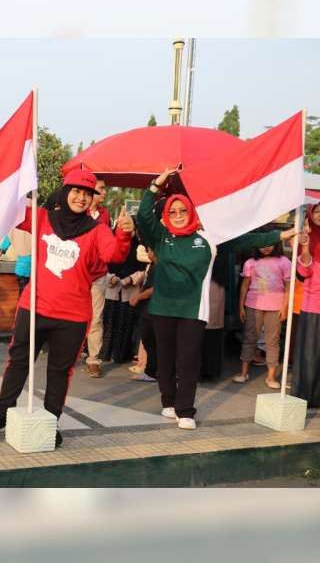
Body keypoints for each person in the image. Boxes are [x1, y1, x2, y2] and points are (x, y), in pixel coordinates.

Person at [0, 170, 134, 444]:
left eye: (87, 194)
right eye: (76, 191)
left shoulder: (97, 229)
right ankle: (1, 416)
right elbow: (10, 213)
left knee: (60, 372)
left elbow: (114, 254)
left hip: (73, 316)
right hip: (34, 308)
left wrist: (123, 233)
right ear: (65, 192)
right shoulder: (42, 218)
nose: (81, 198)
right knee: (18, 364)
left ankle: (50, 422)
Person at [137, 168, 295, 430]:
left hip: (193, 312)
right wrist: (156, 184)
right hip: (162, 309)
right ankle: (168, 401)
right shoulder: (161, 237)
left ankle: (185, 410)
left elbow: (245, 240)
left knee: (188, 361)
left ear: (192, 212)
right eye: (173, 212)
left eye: (183, 210)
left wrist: (279, 236)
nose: (178, 215)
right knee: (165, 361)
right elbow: (144, 214)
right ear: (167, 215)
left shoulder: (208, 238)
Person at [233, 242, 291, 388]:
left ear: (276, 245)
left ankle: (271, 377)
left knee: (272, 341)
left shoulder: (284, 261)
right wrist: (241, 306)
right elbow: (245, 285)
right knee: (249, 338)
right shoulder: (250, 262)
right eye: (262, 244)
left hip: (276, 307)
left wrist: (285, 307)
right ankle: (243, 373)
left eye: (270, 244)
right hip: (253, 305)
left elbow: (288, 286)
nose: (266, 248)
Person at [99, 226, 145, 364]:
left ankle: (120, 355)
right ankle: (104, 353)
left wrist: (131, 279)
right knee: (108, 322)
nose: (127, 232)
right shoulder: (111, 245)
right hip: (111, 290)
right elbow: (102, 265)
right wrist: (111, 278)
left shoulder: (138, 247)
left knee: (125, 324)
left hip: (129, 291)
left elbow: (143, 269)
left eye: (131, 228)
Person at [292, 205, 320, 407]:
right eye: (317, 211)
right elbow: (304, 273)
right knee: (309, 356)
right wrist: (305, 247)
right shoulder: (306, 239)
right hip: (313, 307)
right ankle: (306, 397)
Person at [85, 178, 111, 378]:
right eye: (101, 189)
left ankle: (93, 359)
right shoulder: (77, 211)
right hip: (77, 273)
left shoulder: (105, 214)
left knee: (96, 318)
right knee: (73, 316)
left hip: (99, 273)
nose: (104, 192)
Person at [129, 246, 157, 382]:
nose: (148, 253)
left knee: (151, 340)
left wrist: (138, 297)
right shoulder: (152, 266)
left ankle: (152, 371)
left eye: (150, 250)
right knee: (148, 340)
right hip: (147, 308)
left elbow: (154, 288)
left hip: (153, 308)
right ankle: (151, 370)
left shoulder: (160, 267)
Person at [0, 228, 32, 296]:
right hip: (31, 268)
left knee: (22, 294)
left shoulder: (13, 231)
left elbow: (3, 246)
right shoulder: (32, 228)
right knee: (27, 295)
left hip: (21, 268)